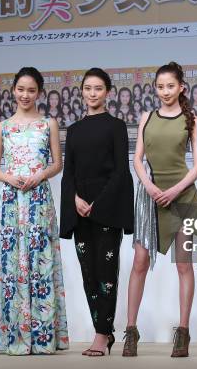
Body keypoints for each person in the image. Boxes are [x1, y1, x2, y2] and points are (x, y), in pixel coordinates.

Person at [0, 67, 69, 355]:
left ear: (39, 93)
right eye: (21, 89)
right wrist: (9, 178)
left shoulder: (49, 124)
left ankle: (42, 337)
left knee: (39, 262)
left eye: (31, 90)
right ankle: (11, 336)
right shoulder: (2, 127)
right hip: (10, 201)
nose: (25, 95)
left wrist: (39, 175)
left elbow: (58, 163)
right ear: (13, 91)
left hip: (38, 200)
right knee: (10, 265)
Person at [124, 62, 197, 358]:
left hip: (181, 195)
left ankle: (183, 333)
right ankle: (130, 331)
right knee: (140, 263)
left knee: (184, 264)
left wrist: (173, 191)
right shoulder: (147, 116)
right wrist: (148, 185)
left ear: (181, 87)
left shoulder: (192, 118)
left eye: (170, 86)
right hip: (150, 196)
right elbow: (137, 160)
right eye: (160, 86)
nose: (165, 91)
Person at [60, 68, 134, 357]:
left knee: (106, 274)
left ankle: (102, 334)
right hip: (80, 211)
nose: (93, 93)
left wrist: (98, 203)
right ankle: (102, 329)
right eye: (88, 88)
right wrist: (76, 199)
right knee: (88, 274)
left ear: (108, 92)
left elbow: (120, 172)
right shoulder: (74, 130)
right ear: (81, 91)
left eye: (98, 88)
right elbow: (69, 174)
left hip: (107, 210)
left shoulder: (116, 126)